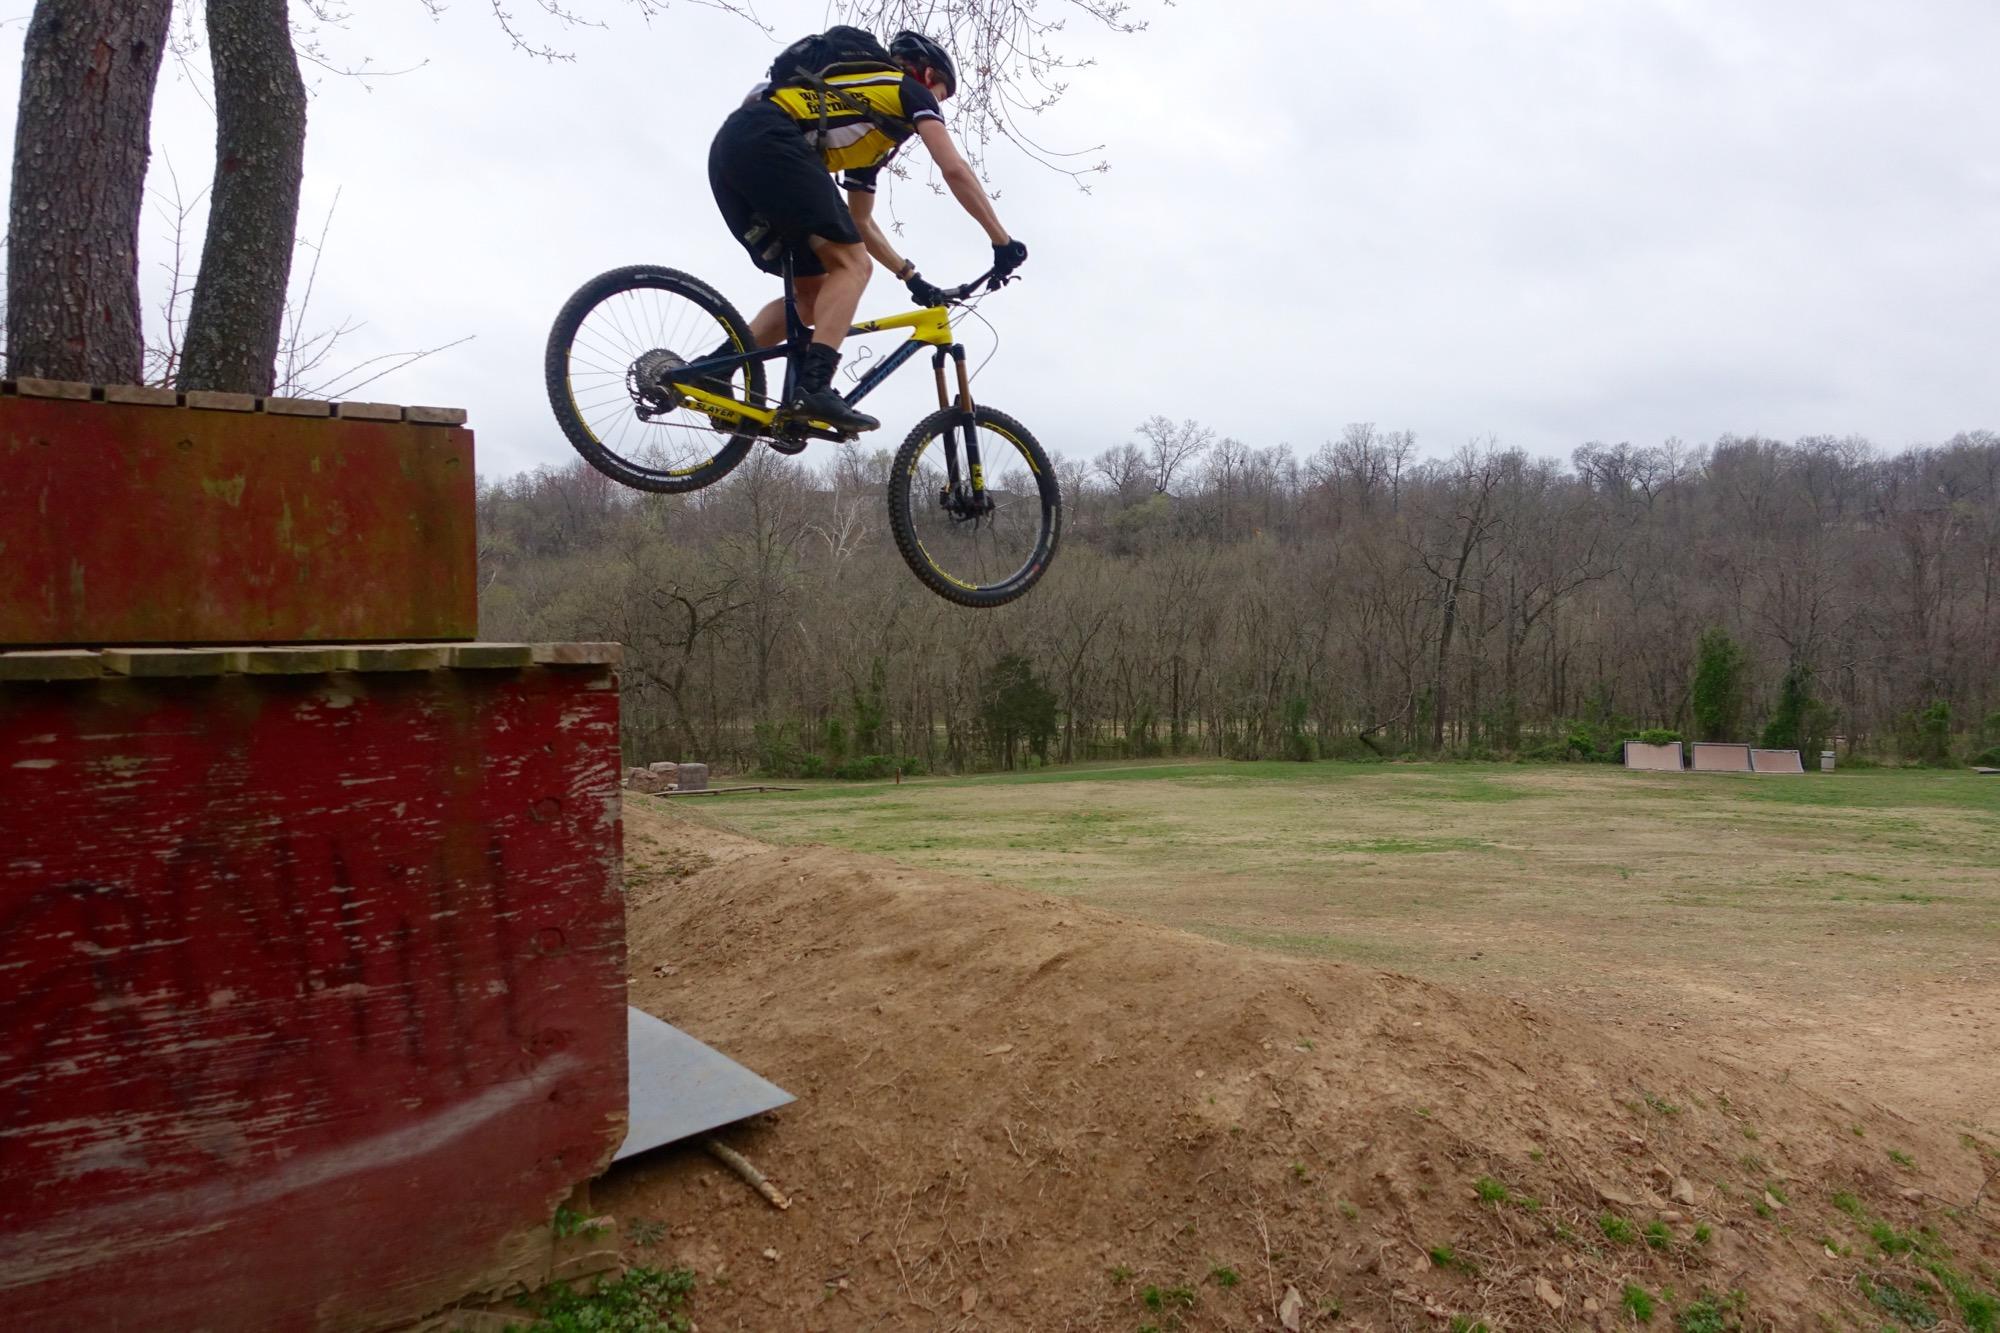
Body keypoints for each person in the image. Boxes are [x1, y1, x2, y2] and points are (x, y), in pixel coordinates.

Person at [707, 29, 1028, 433]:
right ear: (928, 76)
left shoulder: (865, 121)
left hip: (733, 152)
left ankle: (713, 370)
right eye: (943, 95)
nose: (940, 105)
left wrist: (912, 277)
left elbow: (860, 222)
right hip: (770, 140)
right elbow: (955, 170)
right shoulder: (908, 90)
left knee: (813, 297)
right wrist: (1001, 240)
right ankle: (815, 387)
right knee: (853, 266)